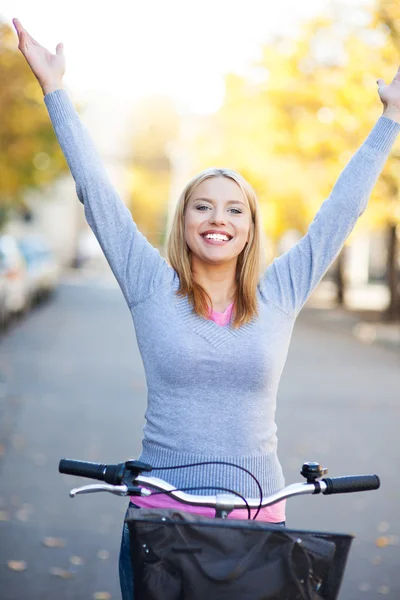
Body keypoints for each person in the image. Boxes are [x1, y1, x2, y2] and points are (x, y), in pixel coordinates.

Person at [13, 17, 400, 599]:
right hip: (160, 525)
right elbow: (96, 189)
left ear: (250, 228)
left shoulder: (280, 291)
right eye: (202, 206)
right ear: (183, 220)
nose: (218, 218)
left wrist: (390, 119)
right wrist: (55, 91)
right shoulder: (150, 285)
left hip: (260, 519)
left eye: (234, 209)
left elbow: (338, 213)